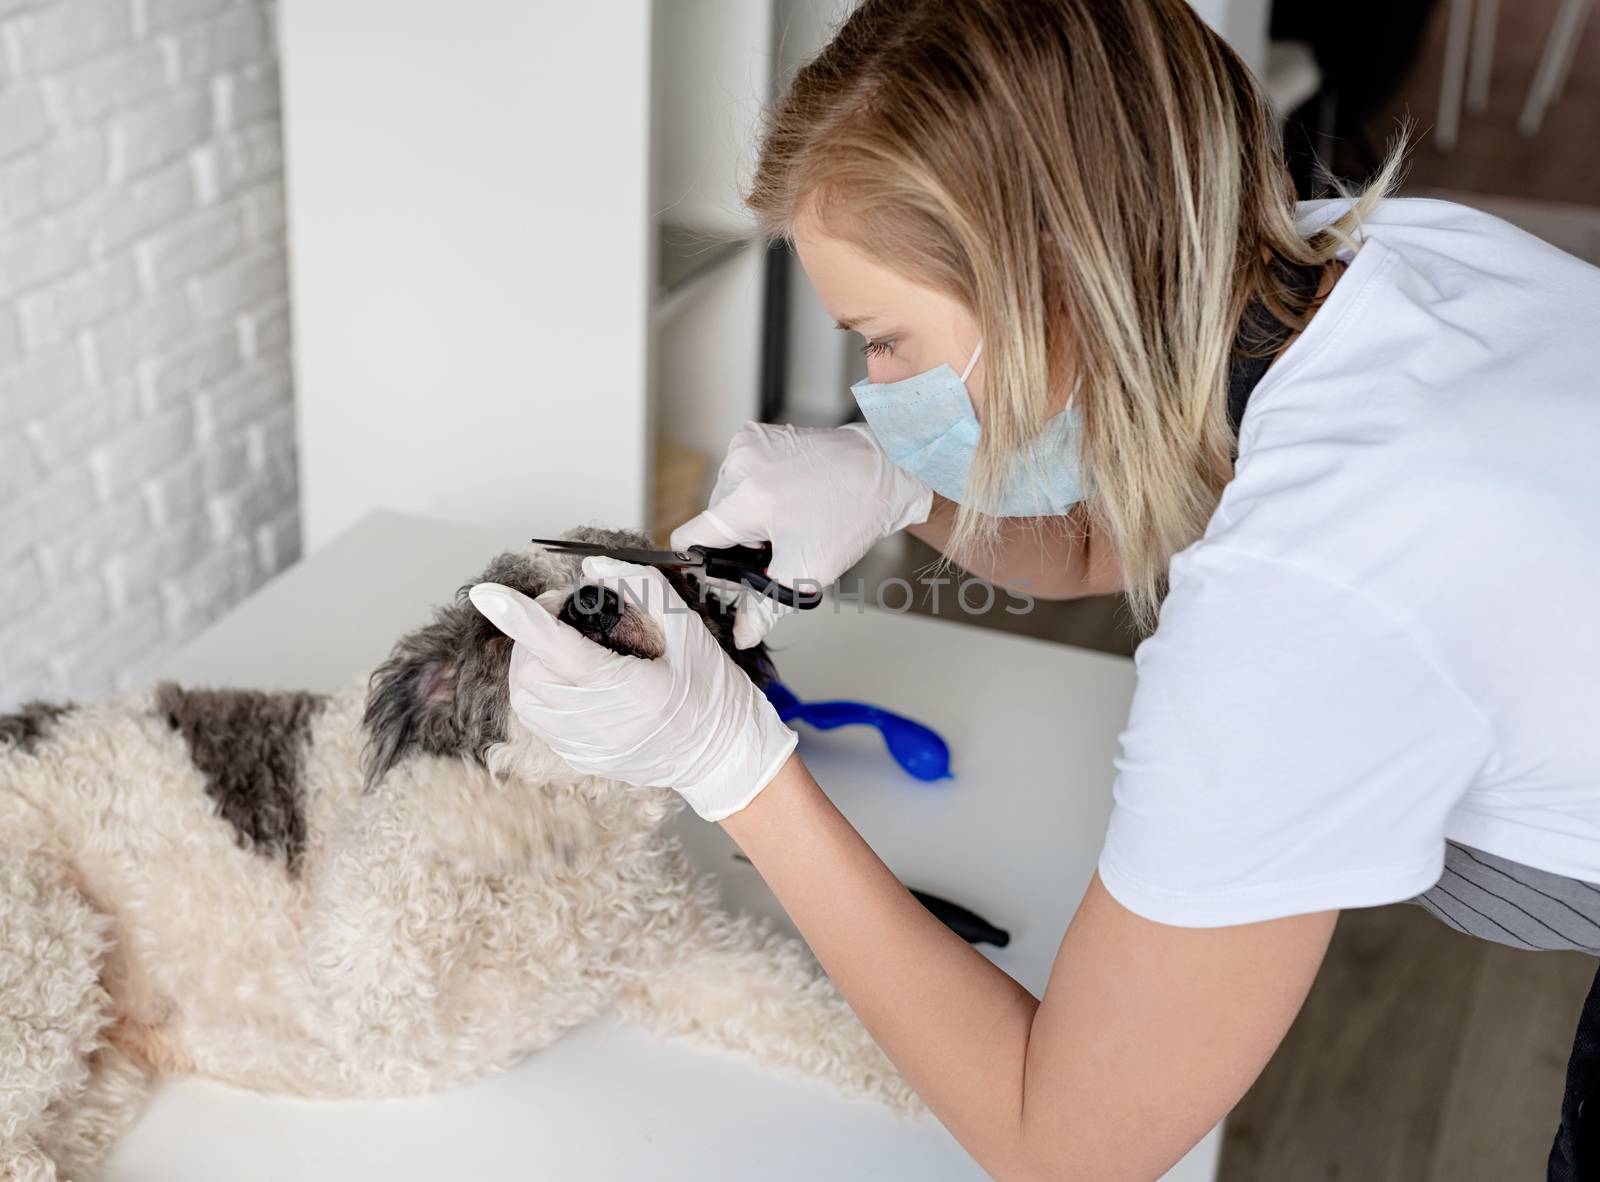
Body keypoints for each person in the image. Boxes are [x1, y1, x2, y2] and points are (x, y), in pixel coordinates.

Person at [466, 1, 1600, 1177]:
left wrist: (729, 767)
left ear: (1057, 285)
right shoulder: (1364, 260)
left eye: (884, 339)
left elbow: (1068, 1142)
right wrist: (905, 489)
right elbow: (1142, 518)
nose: (870, 386)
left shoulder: (1309, 599)